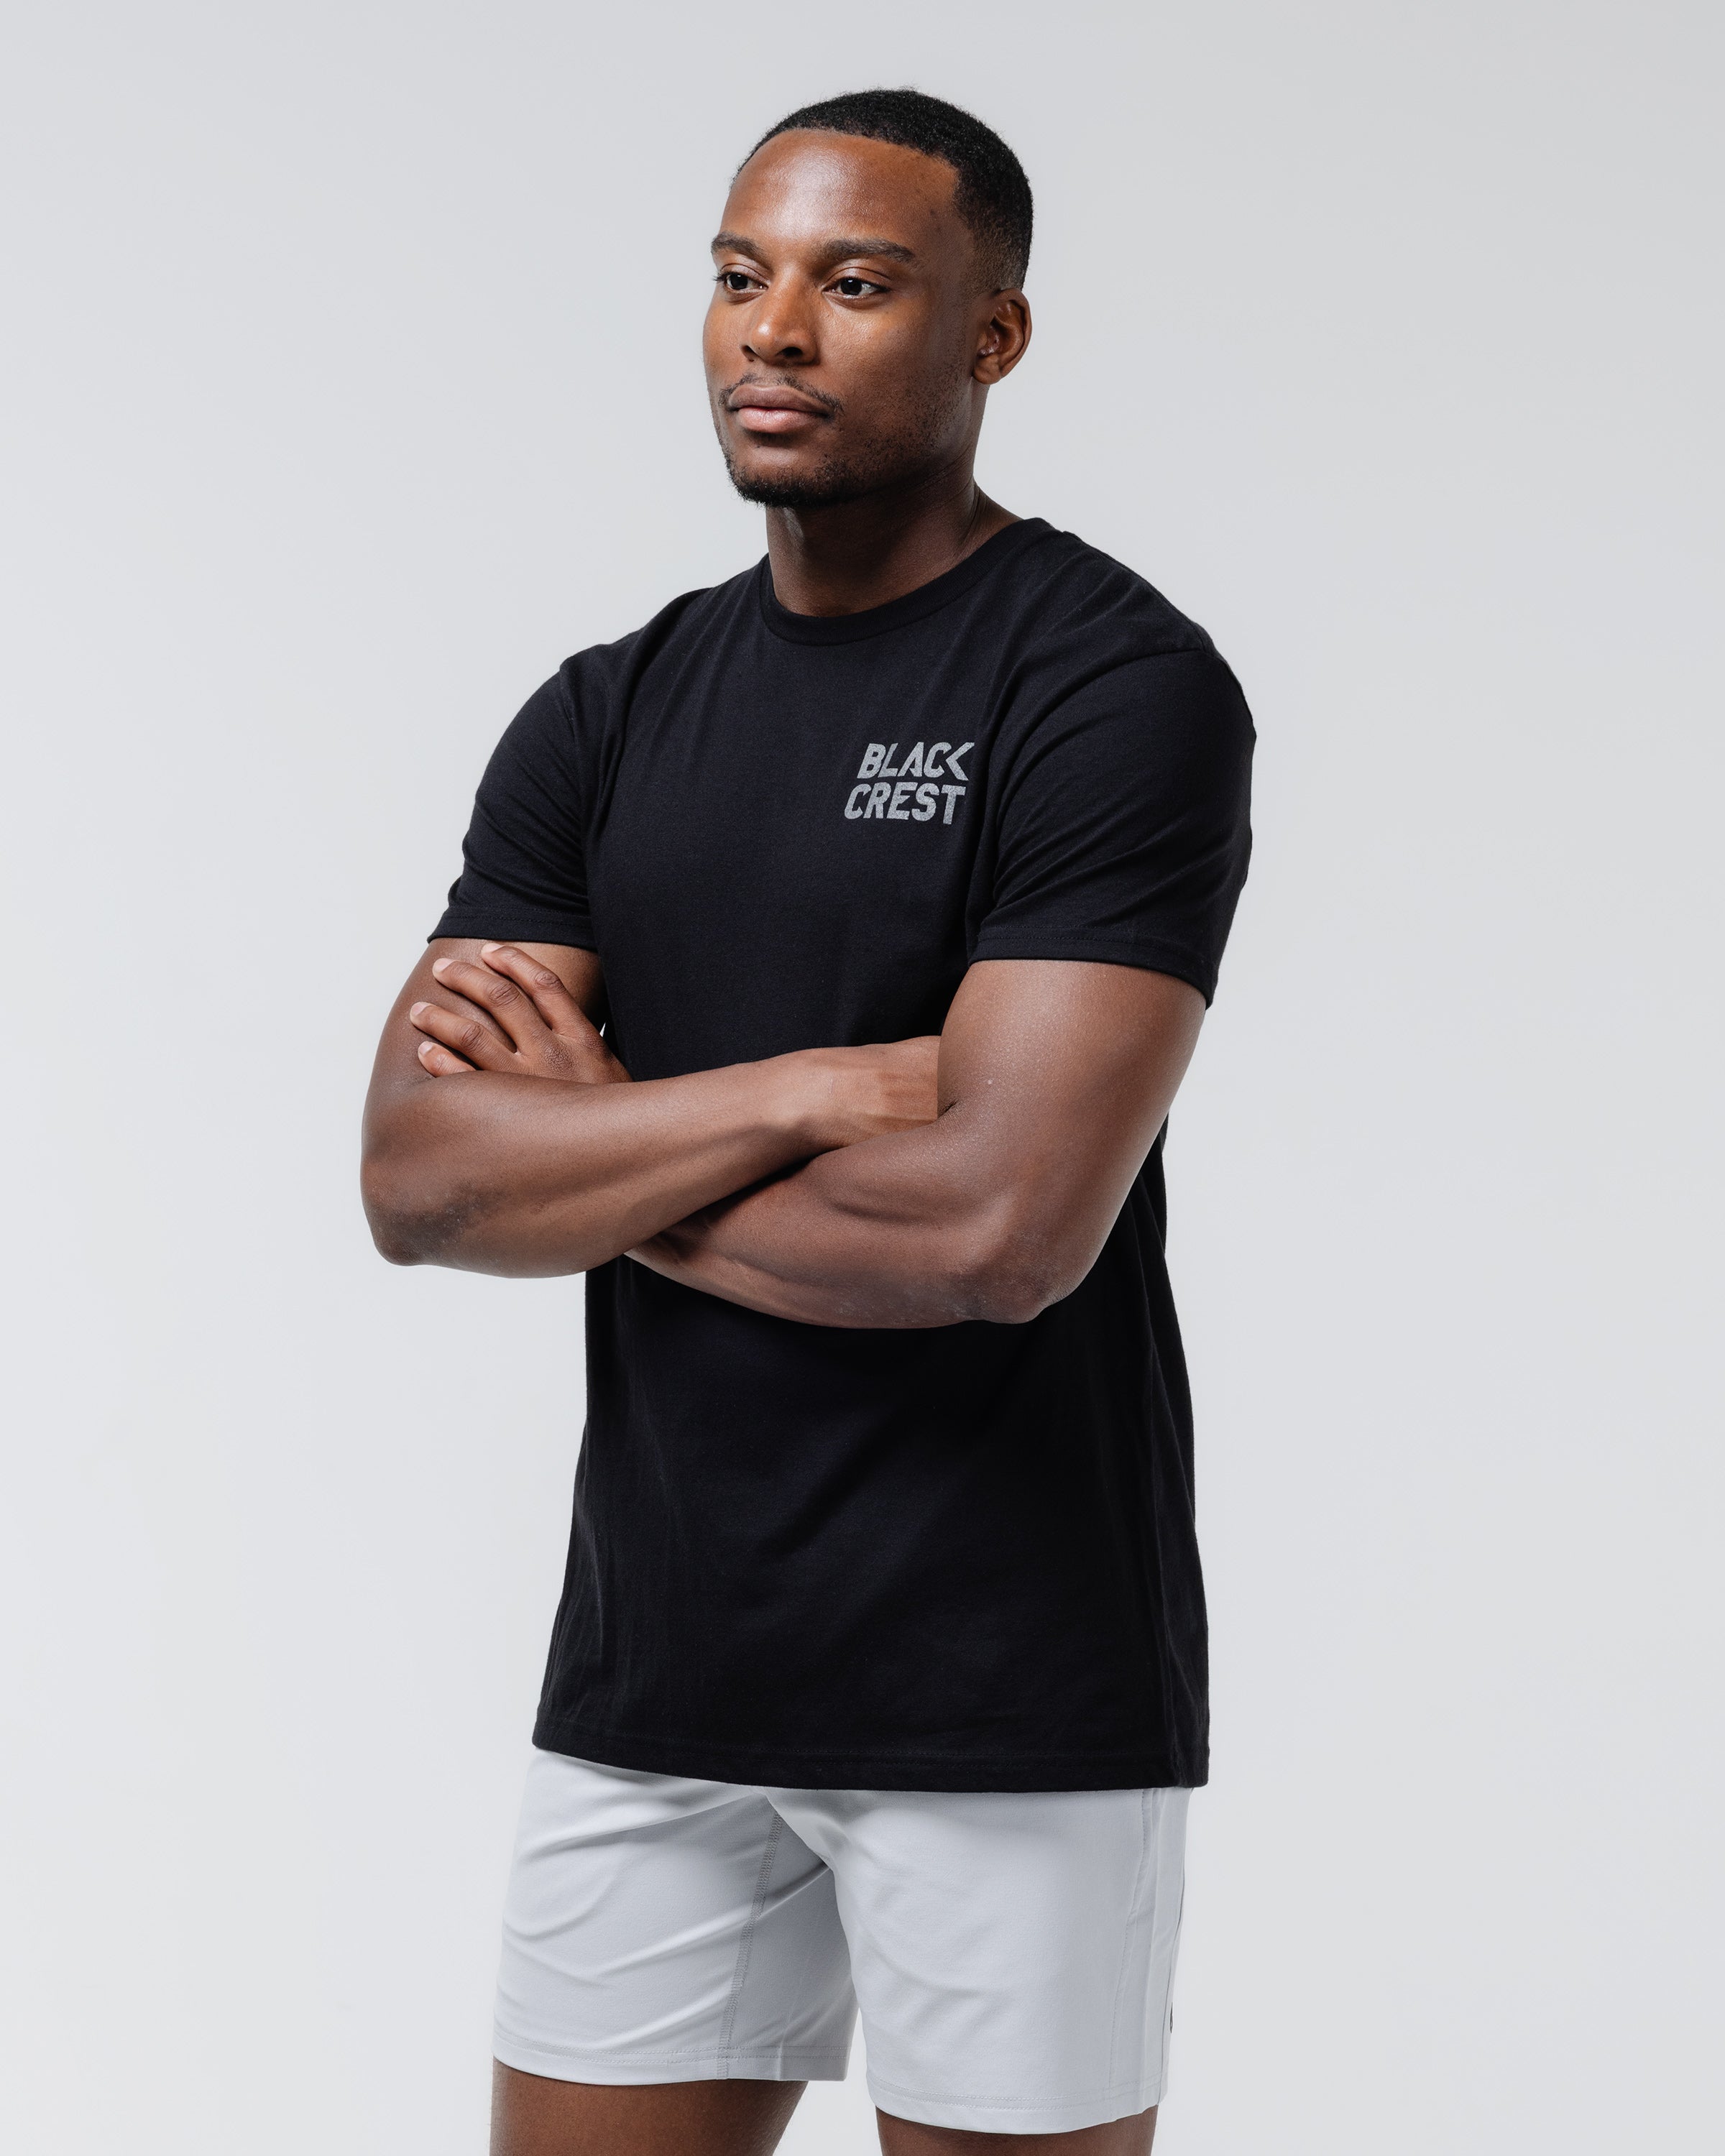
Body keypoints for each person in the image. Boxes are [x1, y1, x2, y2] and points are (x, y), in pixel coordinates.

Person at [362, 86, 1253, 2156]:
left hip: (1005, 1693)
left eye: (856, 284)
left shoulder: (1108, 687)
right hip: (655, 1676)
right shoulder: (608, 711)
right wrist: (806, 1088)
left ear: (991, 335)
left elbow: (997, 1233)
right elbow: (419, 1180)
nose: (773, 329)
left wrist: (596, 1147)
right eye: (738, 276)